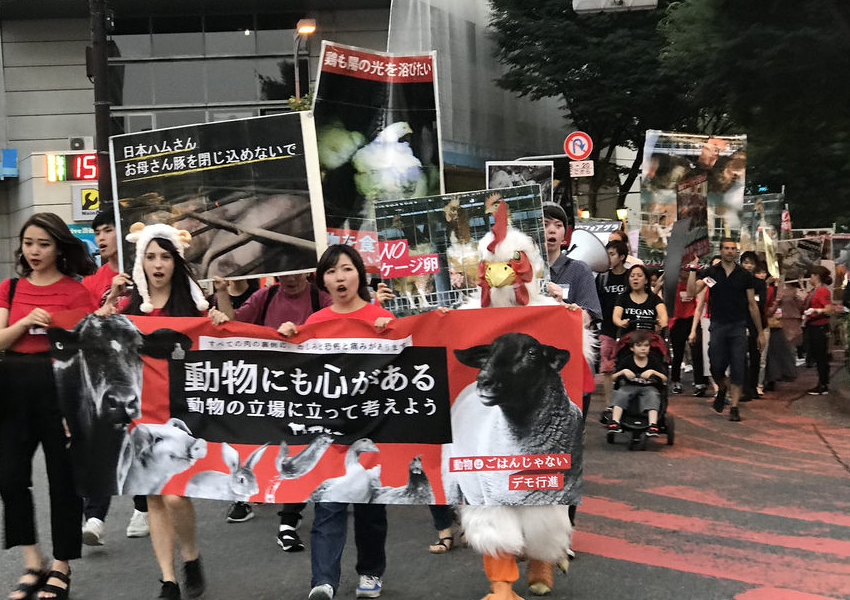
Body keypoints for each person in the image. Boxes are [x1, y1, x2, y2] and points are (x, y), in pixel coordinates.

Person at [99, 222, 227, 600]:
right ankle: (168, 579)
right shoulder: (129, 309)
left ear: (176, 261)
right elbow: (95, 341)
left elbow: (227, 339)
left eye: (165, 257)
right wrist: (109, 304)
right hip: (141, 410)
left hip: (183, 411)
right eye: (150, 256)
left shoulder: (193, 307)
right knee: (154, 494)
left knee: (175, 495)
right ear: (141, 261)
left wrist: (221, 314)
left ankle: (191, 555)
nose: (158, 264)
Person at [279, 244, 393, 600]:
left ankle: (370, 572)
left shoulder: (380, 316)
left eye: (346, 269)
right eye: (331, 271)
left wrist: (389, 330)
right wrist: (288, 336)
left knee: (370, 507)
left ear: (359, 273)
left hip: (372, 429)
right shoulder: (315, 322)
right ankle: (323, 580)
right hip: (328, 431)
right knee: (328, 504)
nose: (339, 277)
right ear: (322, 280)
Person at [0, 212, 97, 600]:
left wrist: (78, 406)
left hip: (59, 388)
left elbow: (85, 352)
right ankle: (32, 561)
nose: (35, 251)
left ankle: (61, 566)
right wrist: (25, 323)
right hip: (11, 387)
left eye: (43, 244)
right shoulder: (10, 288)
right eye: (29, 243)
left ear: (59, 248)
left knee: (63, 480)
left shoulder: (77, 293)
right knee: (9, 476)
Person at [214, 272, 332, 544]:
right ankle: (250, 499)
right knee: (268, 446)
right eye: (283, 273)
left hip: (309, 388)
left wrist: (303, 332)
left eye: (295, 271)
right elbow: (232, 324)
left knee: (299, 448)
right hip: (271, 388)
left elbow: (339, 327)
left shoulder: (320, 298)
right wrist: (221, 292)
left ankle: (288, 519)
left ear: (306, 271)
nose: (289, 278)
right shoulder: (265, 296)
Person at [79, 210, 150, 546]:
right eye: (97, 232)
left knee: (139, 441)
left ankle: (143, 506)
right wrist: (111, 298)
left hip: (145, 372)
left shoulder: (148, 270)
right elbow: (86, 326)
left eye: (108, 230)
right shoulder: (92, 281)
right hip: (106, 373)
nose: (102, 238)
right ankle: (95, 517)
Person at [687, 239, 765, 422]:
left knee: (738, 366)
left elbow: (752, 304)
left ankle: (735, 407)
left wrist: (760, 332)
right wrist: (692, 269)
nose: (730, 251)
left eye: (733, 249)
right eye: (727, 248)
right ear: (721, 250)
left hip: (738, 326)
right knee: (716, 365)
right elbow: (692, 292)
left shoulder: (743, 275)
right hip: (718, 325)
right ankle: (722, 388)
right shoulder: (712, 273)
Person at [606, 330, 668, 437]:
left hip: (648, 387)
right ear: (632, 348)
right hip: (629, 386)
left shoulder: (653, 360)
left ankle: (653, 425)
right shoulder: (627, 360)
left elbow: (664, 378)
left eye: (646, 346)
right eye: (639, 346)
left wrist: (653, 372)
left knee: (653, 395)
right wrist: (623, 372)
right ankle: (615, 422)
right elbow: (613, 378)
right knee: (621, 393)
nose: (643, 348)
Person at [596, 240, 629, 406]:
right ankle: (610, 405)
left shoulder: (630, 277)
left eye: (612, 254)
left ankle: (624, 404)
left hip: (627, 329)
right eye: (607, 254)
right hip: (607, 329)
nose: (608, 258)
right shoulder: (602, 278)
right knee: (607, 368)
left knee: (626, 367)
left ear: (622, 256)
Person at [669, 266, 707, 396]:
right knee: (678, 353)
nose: (684, 272)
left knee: (697, 352)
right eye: (682, 269)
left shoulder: (698, 284)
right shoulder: (672, 284)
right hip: (676, 322)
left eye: (688, 270)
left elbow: (698, 308)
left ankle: (699, 383)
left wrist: (693, 330)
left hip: (692, 320)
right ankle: (675, 381)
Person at [612, 264, 668, 336]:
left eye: (639, 276)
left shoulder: (655, 298)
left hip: (649, 338)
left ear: (646, 280)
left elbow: (663, 314)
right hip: (628, 338)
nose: (635, 278)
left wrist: (662, 322)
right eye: (632, 276)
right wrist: (620, 322)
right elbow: (616, 316)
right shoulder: (622, 297)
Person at [740, 252, 766, 400]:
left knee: (756, 356)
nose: (748, 265)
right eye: (745, 262)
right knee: (741, 357)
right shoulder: (736, 281)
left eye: (751, 263)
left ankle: (753, 387)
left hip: (756, 323)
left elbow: (760, 303)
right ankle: (744, 388)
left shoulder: (759, 283)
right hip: (740, 322)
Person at [802, 265, 833, 395]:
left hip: (819, 326)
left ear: (816, 276)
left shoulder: (822, 291)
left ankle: (823, 384)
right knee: (816, 354)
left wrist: (816, 310)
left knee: (820, 355)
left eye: (811, 275)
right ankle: (822, 382)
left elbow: (829, 309)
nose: (809, 278)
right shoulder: (815, 290)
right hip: (813, 325)